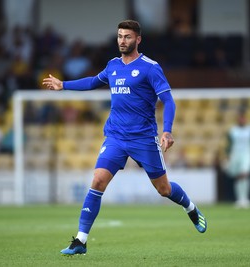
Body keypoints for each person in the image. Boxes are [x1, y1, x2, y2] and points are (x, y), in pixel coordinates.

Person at [43, 20, 207, 256]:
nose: (122, 40)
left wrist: (167, 130)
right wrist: (64, 85)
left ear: (138, 39)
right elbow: (92, 82)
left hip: (143, 138)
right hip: (116, 137)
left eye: (127, 37)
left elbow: (168, 100)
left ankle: (190, 208)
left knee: (163, 189)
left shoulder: (150, 68)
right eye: (120, 36)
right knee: (98, 180)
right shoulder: (112, 66)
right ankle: (80, 241)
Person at [224, 110, 250, 209]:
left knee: (245, 173)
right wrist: (227, 156)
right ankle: (240, 199)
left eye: (243, 118)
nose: (242, 120)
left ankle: (245, 198)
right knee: (238, 176)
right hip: (235, 155)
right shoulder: (232, 130)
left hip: (247, 154)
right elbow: (229, 145)